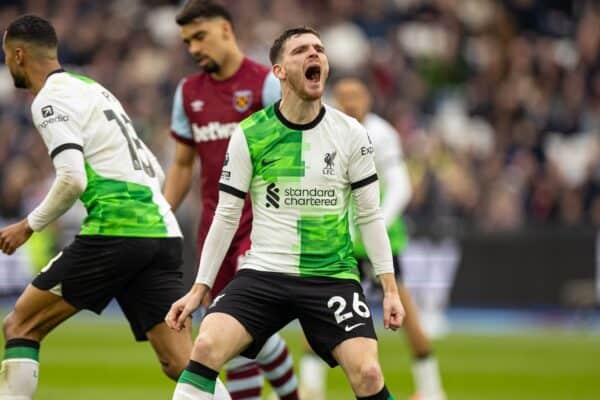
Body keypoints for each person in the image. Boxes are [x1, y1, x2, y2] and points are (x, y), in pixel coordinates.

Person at [166, 26, 405, 400]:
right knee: (206, 348)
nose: (314, 55)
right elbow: (226, 216)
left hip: (330, 276)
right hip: (264, 272)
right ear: (278, 71)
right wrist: (200, 288)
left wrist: (390, 289)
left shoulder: (352, 134)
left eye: (319, 50)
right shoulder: (250, 134)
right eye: (301, 51)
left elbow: (371, 217)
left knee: (369, 374)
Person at [0, 15, 231, 399]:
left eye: (7, 57)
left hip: (116, 230)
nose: (8, 65)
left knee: (21, 324)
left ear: (19, 55)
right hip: (161, 231)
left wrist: (28, 225)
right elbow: (154, 170)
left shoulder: (49, 100)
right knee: (183, 364)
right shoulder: (94, 89)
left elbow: (73, 178)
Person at [163, 1, 299, 399]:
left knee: (230, 328)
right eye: (187, 41)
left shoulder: (266, 85)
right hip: (214, 232)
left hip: (258, 230)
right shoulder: (188, 93)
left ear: (226, 30)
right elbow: (183, 165)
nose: (193, 48)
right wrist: (161, 213)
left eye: (200, 36)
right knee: (240, 341)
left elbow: (293, 156)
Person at [297, 77, 447, 400]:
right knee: (318, 314)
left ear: (368, 100)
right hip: (342, 241)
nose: (350, 102)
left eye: (357, 96)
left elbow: (402, 186)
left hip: (380, 243)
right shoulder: (326, 130)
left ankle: (433, 392)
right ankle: (309, 391)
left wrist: (375, 225)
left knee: (407, 316)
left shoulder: (381, 135)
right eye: (344, 96)